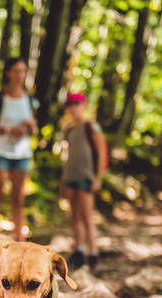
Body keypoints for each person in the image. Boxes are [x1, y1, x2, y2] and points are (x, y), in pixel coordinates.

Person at [0, 57, 39, 241]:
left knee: (18, 200)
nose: (19, 75)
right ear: (8, 73)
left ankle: (20, 242)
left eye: (23, 71)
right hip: (0, 152)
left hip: (22, 154)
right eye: (16, 71)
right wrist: (7, 130)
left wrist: (29, 126)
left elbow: (35, 130)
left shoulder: (30, 101)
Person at [61, 92, 107, 270]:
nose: (73, 108)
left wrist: (98, 177)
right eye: (70, 105)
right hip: (71, 176)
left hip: (86, 177)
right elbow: (68, 156)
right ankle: (78, 249)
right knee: (74, 215)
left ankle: (93, 252)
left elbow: (101, 152)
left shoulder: (91, 127)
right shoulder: (69, 130)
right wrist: (63, 180)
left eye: (76, 104)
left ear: (84, 106)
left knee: (87, 215)